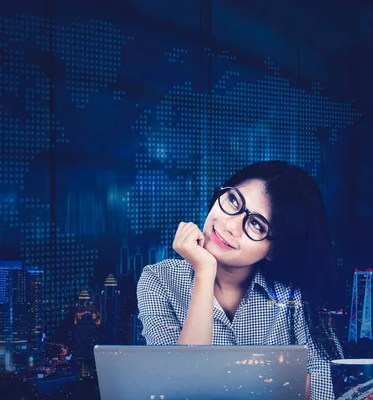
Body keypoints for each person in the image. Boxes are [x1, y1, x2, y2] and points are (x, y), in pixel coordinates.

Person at [136, 160, 344, 400]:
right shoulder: (159, 280)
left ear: (274, 249)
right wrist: (204, 271)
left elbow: (329, 382)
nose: (230, 225)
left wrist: (223, 380)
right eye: (234, 201)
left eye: (256, 224)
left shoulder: (293, 294)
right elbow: (177, 387)